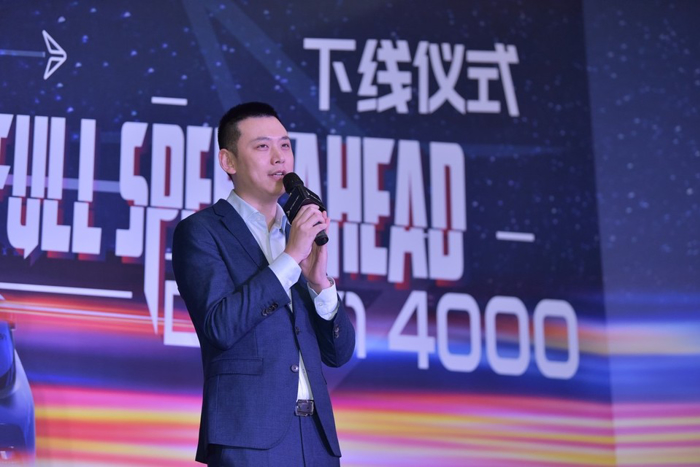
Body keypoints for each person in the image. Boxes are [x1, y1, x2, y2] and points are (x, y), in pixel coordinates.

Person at [172, 102, 355, 466]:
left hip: (316, 441)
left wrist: (319, 283)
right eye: (262, 146)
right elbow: (219, 326)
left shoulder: (296, 233)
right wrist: (289, 259)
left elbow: (338, 354)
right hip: (249, 439)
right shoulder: (202, 232)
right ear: (228, 161)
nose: (279, 157)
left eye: (285, 145)